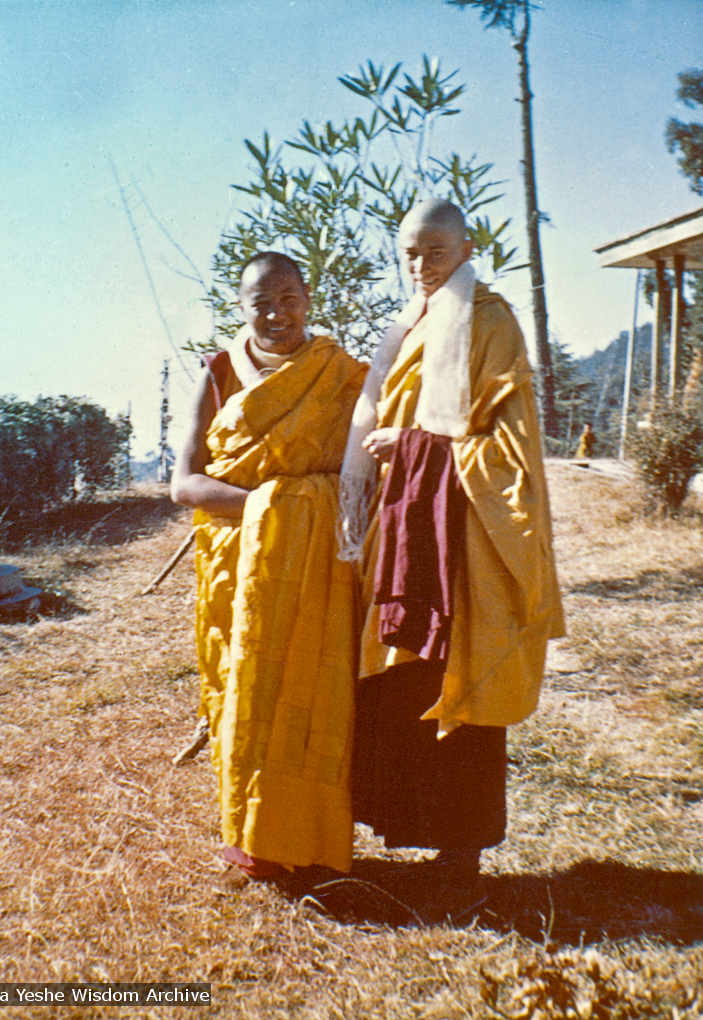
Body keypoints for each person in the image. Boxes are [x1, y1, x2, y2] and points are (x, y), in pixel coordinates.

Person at [337, 199, 565, 923]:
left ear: (467, 247)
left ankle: (460, 862)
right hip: (402, 531)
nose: (419, 265)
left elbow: (507, 446)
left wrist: (412, 446)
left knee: (455, 692)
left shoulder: (490, 320)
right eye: (408, 252)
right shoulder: (407, 324)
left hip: (462, 542)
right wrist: (393, 448)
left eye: (433, 251)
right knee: (398, 690)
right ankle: (408, 843)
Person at [171, 252, 367, 884]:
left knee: (318, 698)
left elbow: (368, 476)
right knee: (241, 694)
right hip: (239, 565)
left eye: (289, 298)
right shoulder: (219, 373)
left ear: (308, 298)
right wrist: (272, 509)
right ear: (240, 308)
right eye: (262, 302)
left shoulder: (344, 376)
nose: (278, 314)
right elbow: (184, 483)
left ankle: (310, 840)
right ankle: (250, 842)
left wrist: (298, 513)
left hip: (320, 566)